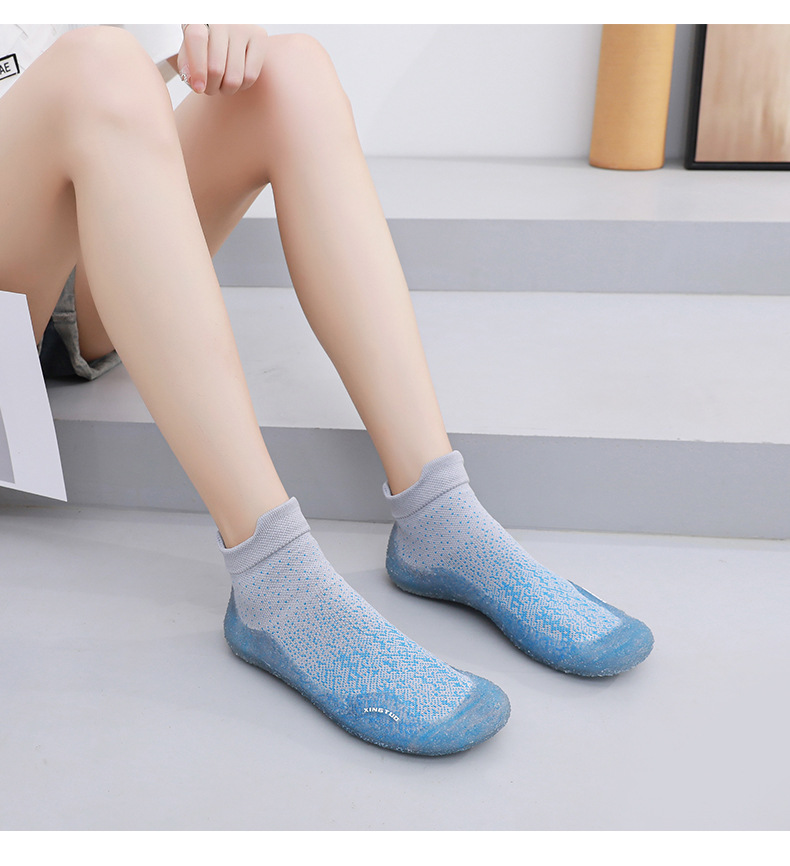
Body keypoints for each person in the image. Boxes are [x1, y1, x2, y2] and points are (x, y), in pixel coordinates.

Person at [0, 23, 653, 756]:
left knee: (289, 73)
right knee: (96, 64)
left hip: (84, 242)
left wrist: (193, 42)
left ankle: (440, 513)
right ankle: (275, 579)